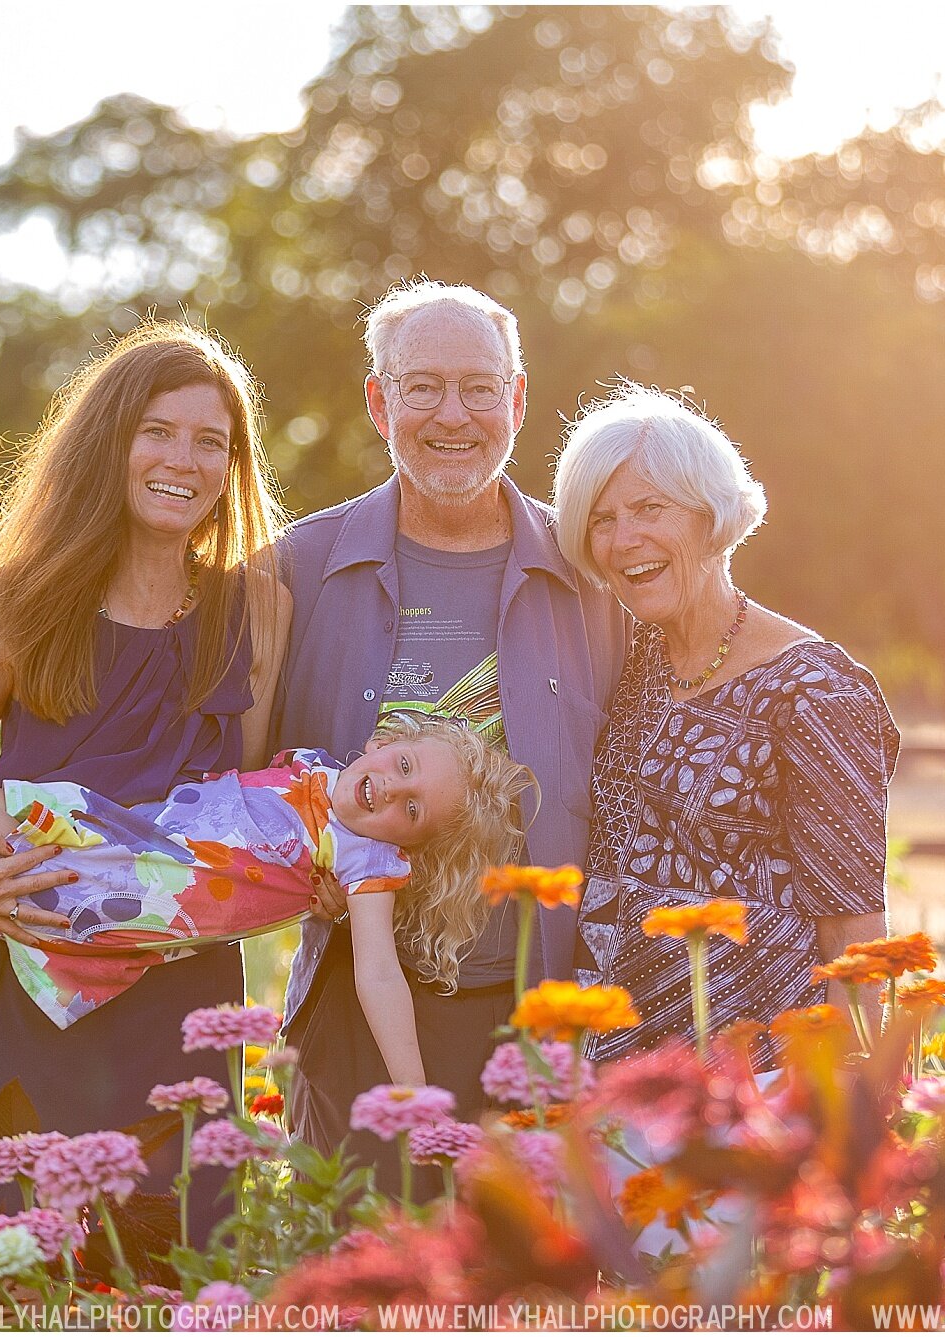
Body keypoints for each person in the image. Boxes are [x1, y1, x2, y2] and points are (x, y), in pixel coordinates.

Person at [0, 321, 288, 1215]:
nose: (182, 460)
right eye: (156, 431)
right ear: (107, 440)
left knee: (170, 1253)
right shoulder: (13, 597)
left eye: (211, 442)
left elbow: (252, 807)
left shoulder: (258, 609)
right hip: (21, 973)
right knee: (6, 1253)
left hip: (178, 993)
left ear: (231, 468)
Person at [270, 280, 627, 1168]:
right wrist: (293, 863)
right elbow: (237, 780)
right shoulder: (296, 570)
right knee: (357, 1287)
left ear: (517, 399)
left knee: (527, 1293)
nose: (451, 414)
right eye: (421, 386)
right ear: (378, 400)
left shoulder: (594, 581)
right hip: (353, 1012)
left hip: (539, 1015)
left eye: (478, 387)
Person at [0, 712, 528, 1083]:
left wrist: (415, 1087)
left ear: (407, 845)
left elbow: (378, 975)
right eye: (403, 765)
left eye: (411, 810)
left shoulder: (364, 861)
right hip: (110, 836)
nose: (389, 789)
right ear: (389, 740)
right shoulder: (317, 768)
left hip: (116, 886)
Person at [550, 383, 900, 1065]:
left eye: (650, 508)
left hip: (762, 1080)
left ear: (710, 516)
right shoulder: (624, 660)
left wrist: (857, 1107)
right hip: (614, 1073)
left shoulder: (816, 691)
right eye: (601, 518)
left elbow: (855, 928)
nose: (625, 540)